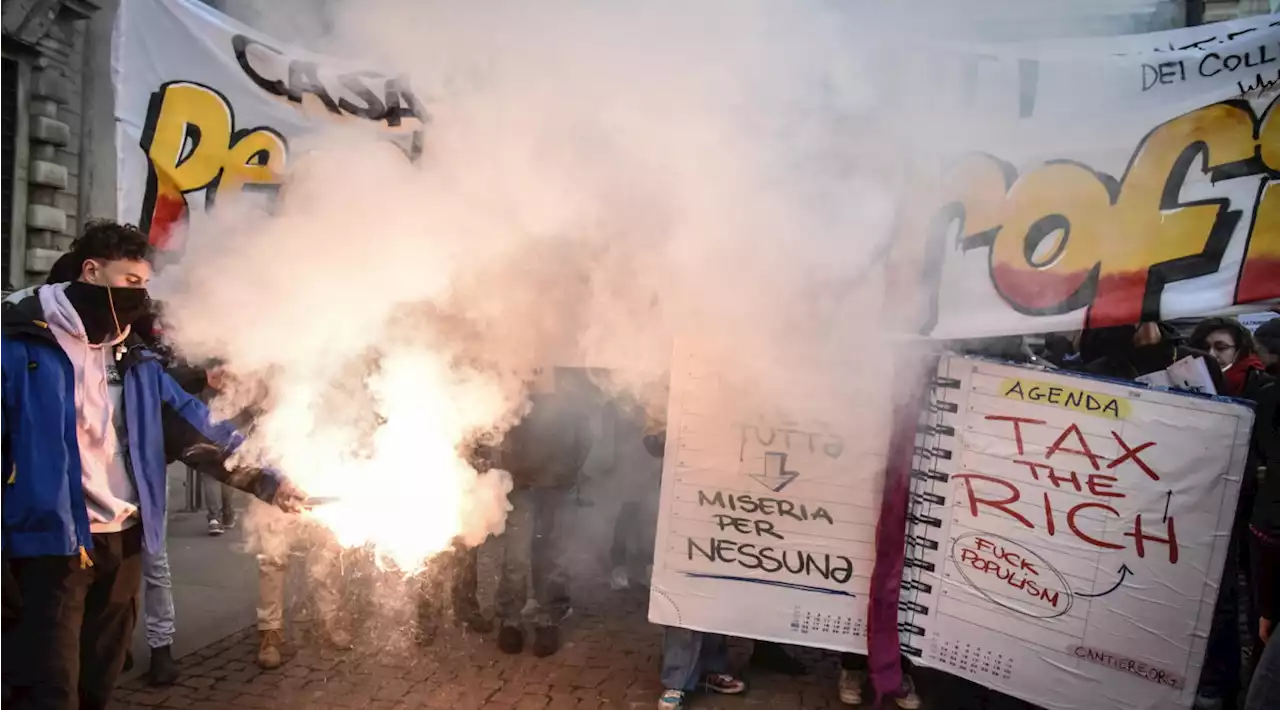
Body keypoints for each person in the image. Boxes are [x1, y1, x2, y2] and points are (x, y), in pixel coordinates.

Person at [0, 221, 304, 710]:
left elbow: (198, 428)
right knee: (47, 690)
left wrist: (271, 482)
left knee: (96, 686)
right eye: (131, 282)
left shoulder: (136, 359)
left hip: (124, 544)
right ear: (91, 271)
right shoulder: (20, 345)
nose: (140, 298)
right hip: (47, 548)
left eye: (145, 285)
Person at [495, 369, 591, 658]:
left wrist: (570, 470)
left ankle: (546, 619)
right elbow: (499, 429)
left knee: (551, 555)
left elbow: (584, 434)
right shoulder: (512, 377)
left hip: (557, 483)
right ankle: (510, 620)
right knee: (516, 556)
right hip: (520, 483)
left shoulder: (572, 382)